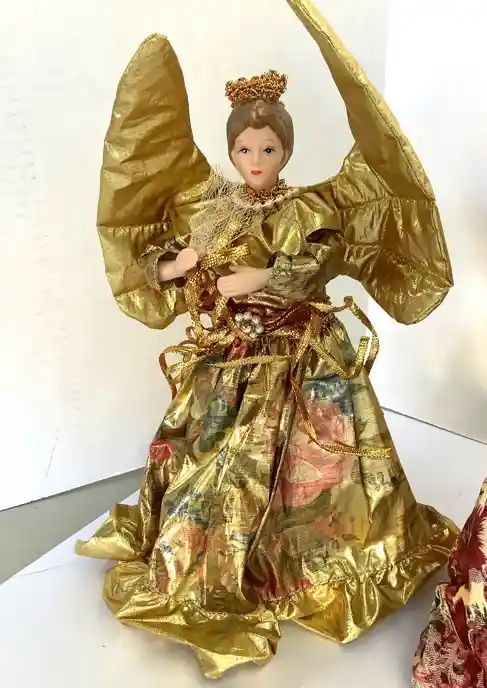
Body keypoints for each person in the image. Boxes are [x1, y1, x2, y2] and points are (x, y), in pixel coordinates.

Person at [77, 0, 457, 679]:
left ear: (286, 150)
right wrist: (177, 266)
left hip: (301, 351)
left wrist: (264, 275)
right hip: (231, 355)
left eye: (269, 149)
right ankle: (213, 559)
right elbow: (168, 264)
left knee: (323, 455)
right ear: (231, 152)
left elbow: (320, 261)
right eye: (245, 150)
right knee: (211, 455)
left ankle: (315, 562)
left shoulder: (306, 206)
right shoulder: (211, 206)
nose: (256, 160)